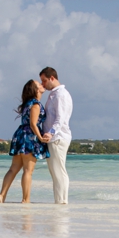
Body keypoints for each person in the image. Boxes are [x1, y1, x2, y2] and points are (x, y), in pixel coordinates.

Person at [0, 80, 48, 203]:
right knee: (28, 171)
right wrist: (41, 138)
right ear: (35, 90)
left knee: (13, 169)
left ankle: (2, 195)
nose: (42, 85)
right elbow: (33, 124)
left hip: (20, 135)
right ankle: (26, 199)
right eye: (39, 85)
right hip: (29, 138)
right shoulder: (36, 104)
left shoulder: (27, 104)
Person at [38, 66, 73, 204]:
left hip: (58, 138)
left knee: (59, 171)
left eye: (44, 81)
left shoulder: (61, 94)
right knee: (55, 172)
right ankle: (59, 200)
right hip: (53, 139)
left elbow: (61, 118)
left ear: (52, 78)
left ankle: (62, 201)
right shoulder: (54, 94)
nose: (43, 84)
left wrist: (50, 133)